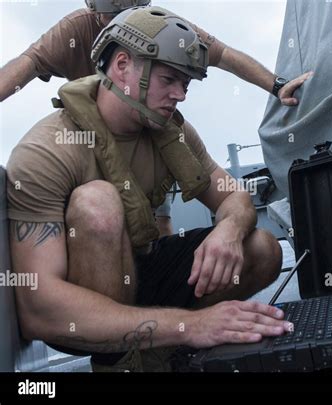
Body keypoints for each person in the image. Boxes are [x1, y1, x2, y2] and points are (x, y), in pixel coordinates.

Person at [7, 6, 293, 372]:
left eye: (185, 84)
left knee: (261, 248)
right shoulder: (48, 149)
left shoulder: (172, 130)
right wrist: (190, 325)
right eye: (169, 79)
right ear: (122, 65)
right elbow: (39, 308)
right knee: (97, 203)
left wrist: (228, 230)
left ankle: (164, 351)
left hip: (144, 270)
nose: (180, 95)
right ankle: (122, 363)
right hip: (78, 303)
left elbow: (233, 196)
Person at [0, 0, 312, 105]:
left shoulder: (161, 26)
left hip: (149, 126)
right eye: (114, 19)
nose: (123, 27)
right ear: (96, 13)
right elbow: (29, 63)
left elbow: (223, 55)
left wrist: (276, 85)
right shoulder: (74, 30)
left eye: (131, 14)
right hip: (93, 135)